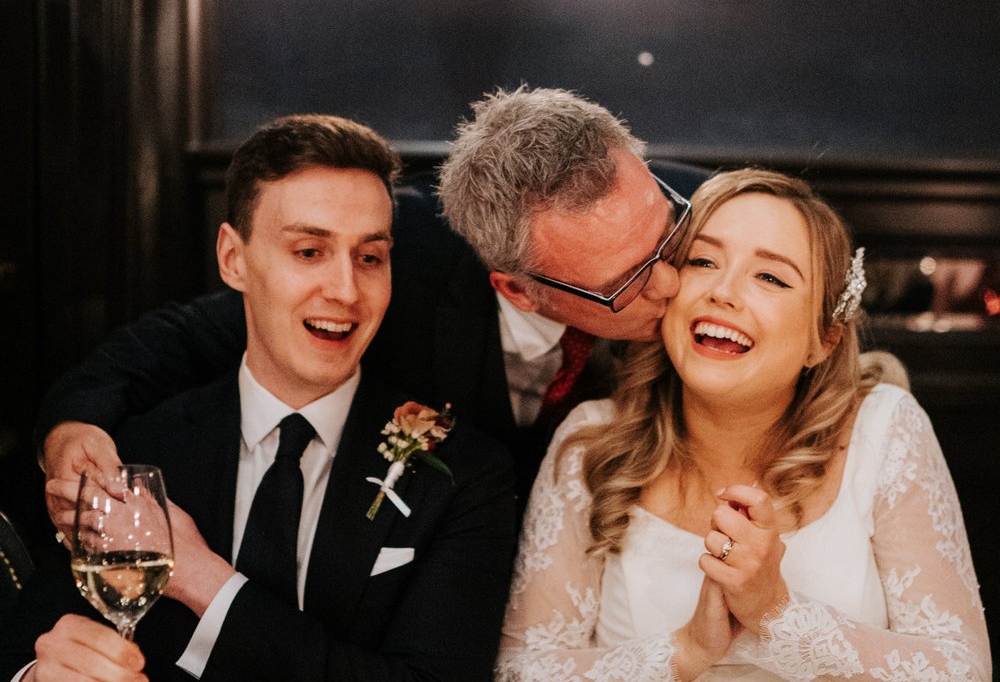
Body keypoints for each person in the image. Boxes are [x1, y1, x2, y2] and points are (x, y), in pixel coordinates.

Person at [0, 115, 517, 682]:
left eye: (371, 257)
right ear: (234, 260)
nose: (345, 289)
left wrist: (203, 580)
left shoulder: (465, 473)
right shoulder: (143, 450)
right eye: (308, 251)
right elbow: (18, 663)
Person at [494, 168, 992, 682]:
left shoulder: (886, 431)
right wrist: (687, 653)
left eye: (770, 275)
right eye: (702, 261)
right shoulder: (591, 443)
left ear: (824, 336)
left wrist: (778, 616)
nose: (724, 290)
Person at [37, 89, 705, 513]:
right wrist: (73, 427)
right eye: (627, 280)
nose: (673, 282)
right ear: (516, 288)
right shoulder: (387, 262)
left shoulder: (696, 208)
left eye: (666, 238)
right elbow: (180, 341)